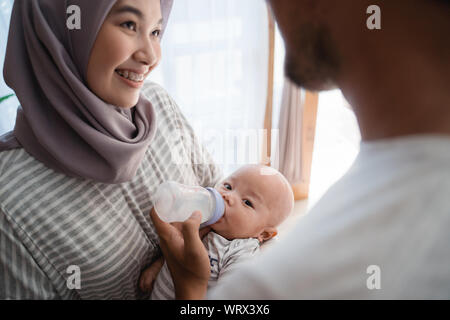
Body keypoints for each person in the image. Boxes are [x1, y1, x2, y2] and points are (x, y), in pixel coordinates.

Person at [151, 0, 450, 299]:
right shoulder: (394, 179)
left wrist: (189, 284)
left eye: (248, 203)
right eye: (228, 185)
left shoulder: (271, 282)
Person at [0, 0, 223, 299]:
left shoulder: (160, 108)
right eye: (129, 25)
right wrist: (187, 288)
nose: (151, 56)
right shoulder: (9, 197)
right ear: (59, 29)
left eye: (156, 31)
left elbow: (230, 206)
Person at [139, 164, 294, 299]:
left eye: (247, 202)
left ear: (263, 234)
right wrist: (157, 266)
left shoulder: (240, 251)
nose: (228, 196)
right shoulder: (202, 219)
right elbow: (176, 252)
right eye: (228, 186)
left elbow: (229, 294)